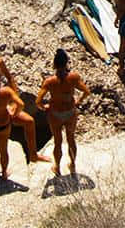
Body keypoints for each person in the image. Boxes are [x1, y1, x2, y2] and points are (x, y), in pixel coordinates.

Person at [37, 48, 90, 181]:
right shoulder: (73, 77)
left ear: (54, 64)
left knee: (57, 142)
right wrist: (78, 101)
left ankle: (58, 167)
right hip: (70, 112)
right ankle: (72, 165)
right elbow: (86, 91)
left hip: (55, 113)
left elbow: (38, 101)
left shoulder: (50, 82)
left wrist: (45, 107)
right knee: (71, 139)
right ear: (67, 63)